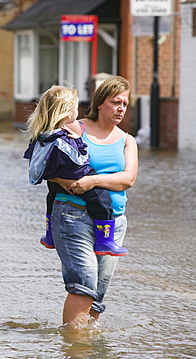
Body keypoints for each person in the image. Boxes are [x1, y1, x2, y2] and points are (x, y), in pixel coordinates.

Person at [46, 76, 138, 326]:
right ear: (100, 103)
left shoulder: (128, 140)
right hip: (72, 214)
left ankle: (86, 353)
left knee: (97, 291)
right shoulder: (76, 128)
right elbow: (46, 160)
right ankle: (74, 352)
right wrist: (66, 183)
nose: (121, 108)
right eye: (115, 102)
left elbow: (128, 179)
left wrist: (93, 181)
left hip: (113, 222)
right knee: (84, 282)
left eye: (125, 104)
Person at [23, 85, 128, 257]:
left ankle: (50, 234)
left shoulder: (44, 134)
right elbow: (79, 160)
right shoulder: (65, 136)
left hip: (58, 183)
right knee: (103, 202)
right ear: (66, 112)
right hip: (76, 177)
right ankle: (105, 241)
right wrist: (80, 143)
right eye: (74, 107)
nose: (77, 111)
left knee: (51, 197)